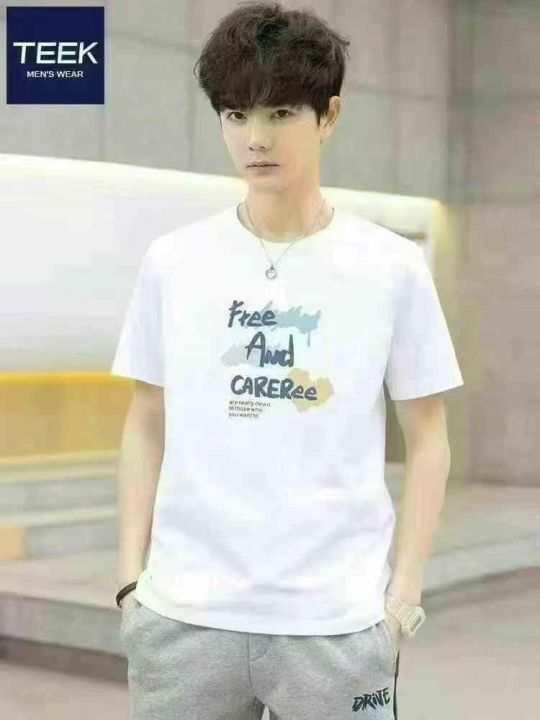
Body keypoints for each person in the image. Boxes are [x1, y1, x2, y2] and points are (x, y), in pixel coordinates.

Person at [111, 2, 464, 718]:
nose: (256, 138)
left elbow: (429, 438)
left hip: (337, 625)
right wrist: (129, 583)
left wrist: (402, 600)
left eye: (279, 113)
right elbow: (146, 419)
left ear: (328, 116)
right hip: (183, 620)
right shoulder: (174, 261)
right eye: (236, 115)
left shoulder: (390, 266)